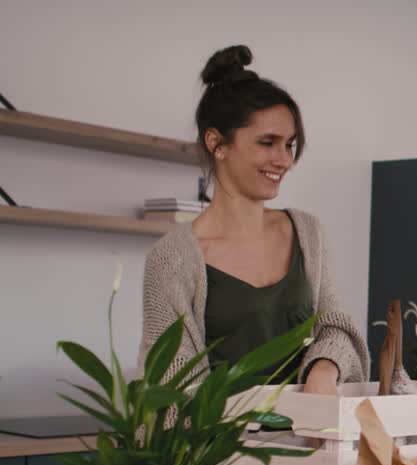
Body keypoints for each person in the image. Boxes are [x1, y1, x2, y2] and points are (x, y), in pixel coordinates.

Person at [139, 45, 368, 393]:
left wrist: (323, 368)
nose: (284, 160)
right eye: (267, 143)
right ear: (217, 143)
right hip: (219, 446)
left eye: (289, 145)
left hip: (311, 441)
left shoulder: (308, 232)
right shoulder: (171, 258)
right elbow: (170, 384)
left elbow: (334, 324)